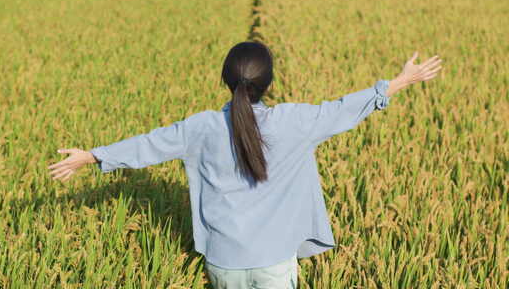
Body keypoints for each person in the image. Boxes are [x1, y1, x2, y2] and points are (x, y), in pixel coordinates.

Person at [48, 41, 442, 288]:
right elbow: (342, 110)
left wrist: (94, 155)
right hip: (274, 264)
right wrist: (401, 81)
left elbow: (151, 144)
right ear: (268, 83)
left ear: (225, 80)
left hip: (225, 264)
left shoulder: (201, 127)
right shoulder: (294, 121)